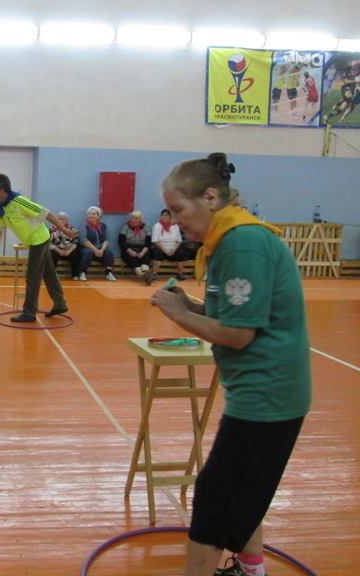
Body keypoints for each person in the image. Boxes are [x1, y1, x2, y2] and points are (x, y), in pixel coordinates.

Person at [150, 152, 311, 576]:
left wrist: (179, 315)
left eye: (179, 210)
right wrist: (190, 305)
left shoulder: (242, 243)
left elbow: (238, 334)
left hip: (269, 395)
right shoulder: (227, 239)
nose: (175, 220)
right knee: (242, 492)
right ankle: (251, 568)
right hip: (260, 393)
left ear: (209, 197)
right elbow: (234, 314)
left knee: (216, 501)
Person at [0, 173, 75, 323]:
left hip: (39, 240)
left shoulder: (19, 201)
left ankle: (29, 312)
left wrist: (63, 229)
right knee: (49, 273)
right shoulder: (3, 208)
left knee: (32, 277)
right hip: (35, 240)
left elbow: (45, 213)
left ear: (1, 190)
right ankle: (60, 304)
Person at [78, 206, 116, 282]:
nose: (90, 215)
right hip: (87, 247)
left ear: (98, 216)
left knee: (109, 251)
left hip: (100, 248)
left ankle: (108, 273)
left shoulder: (104, 226)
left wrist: (102, 249)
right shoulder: (84, 226)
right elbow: (83, 240)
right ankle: (82, 272)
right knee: (88, 252)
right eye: (89, 214)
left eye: (93, 214)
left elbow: (107, 239)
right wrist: (95, 250)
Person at [151, 208, 189, 281]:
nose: (163, 217)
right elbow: (155, 241)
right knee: (157, 252)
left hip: (173, 250)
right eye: (162, 215)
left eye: (166, 215)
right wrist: (165, 250)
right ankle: (154, 274)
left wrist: (174, 249)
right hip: (162, 249)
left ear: (170, 217)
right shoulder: (157, 226)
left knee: (183, 251)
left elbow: (179, 241)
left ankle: (180, 274)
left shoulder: (175, 226)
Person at [118, 210, 154, 285]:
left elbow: (149, 243)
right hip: (128, 249)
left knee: (145, 258)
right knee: (134, 262)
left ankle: (145, 274)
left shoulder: (146, 227)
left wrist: (143, 252)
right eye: (132, 218)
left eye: (136, 218)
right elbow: (121, 242)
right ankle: (144, 277)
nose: (134, 220)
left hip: (143, 249)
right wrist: (130, 251)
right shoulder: (125, 226)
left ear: (140, 219)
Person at [49, 212, 82, 280]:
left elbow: (75, 242)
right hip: (56, 250)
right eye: (59, 219)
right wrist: (59, 251)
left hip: (68, 251)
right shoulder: (51, 229)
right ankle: (52, 274)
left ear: (66, 220)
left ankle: (75, 275)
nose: (61, 220)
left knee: (75, 254)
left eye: (63, 219)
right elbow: (49, 243)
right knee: (52, 254)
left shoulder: (72, 229)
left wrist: (69, 251)